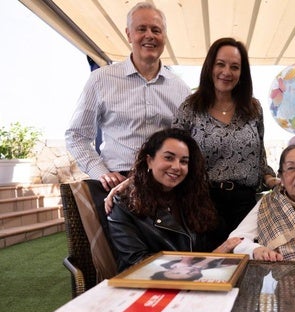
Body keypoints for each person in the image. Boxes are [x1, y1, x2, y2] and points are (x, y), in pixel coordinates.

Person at [66, 2, 191, 191]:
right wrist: (100, 172)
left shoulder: (180, 89)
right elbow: (76, 135)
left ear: (164, 37)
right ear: (129, 34)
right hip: (118, 183)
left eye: (156, 30)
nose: (149, 35)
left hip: (166, 188)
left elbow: (187, 141)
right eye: (141, 29)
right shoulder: (101, 80)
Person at [172, 37, 278, 239]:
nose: (227, 72)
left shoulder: (253, 108)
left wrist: (270, 178)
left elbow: (259, 155)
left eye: (235, 67)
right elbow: (173, 155)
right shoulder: (190, 108)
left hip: (245, 205)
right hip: (203, 203)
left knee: (246, 262)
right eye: (220, 64)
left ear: (242, 73)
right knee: (211, 267)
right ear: (209, 67)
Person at [107, 128, 240, 271]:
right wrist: (208, 259)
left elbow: (216, 243)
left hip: (197, 282)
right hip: (148, 286)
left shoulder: (194, 197)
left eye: (184, 161)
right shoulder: (124, 204)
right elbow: (137, 262)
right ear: (149, 161)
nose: (177, 167)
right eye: (169, 158)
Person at [150, 256, 236, 281]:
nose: (188, 271)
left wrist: (186, 260)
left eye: (176, 273)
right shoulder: (214, 268)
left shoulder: (166, 262)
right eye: (189, 275)